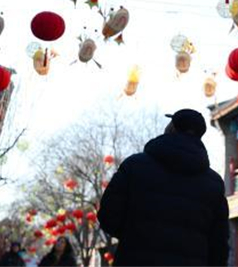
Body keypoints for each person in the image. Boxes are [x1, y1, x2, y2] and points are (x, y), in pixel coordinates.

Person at [98, 109, 229, 266]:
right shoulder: (213, 183)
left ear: (172, 128)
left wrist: (134, 235)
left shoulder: (135, 166)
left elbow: (108, 216)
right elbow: (219, 244)